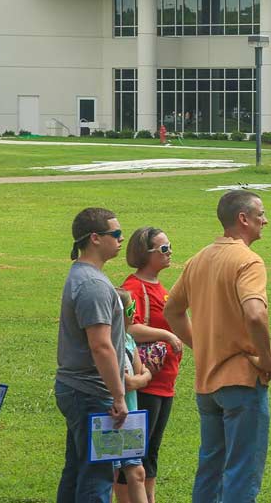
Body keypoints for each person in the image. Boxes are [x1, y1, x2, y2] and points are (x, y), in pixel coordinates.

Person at [164, 190, 271, 503]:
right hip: (241, 379)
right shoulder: (248, 261)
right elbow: (255, 313)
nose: (264, 221)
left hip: (207, 384)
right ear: (243, 219)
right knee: (241, 473)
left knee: (210, 470)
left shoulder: (199, 258)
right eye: (260, 215)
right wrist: (265, 358)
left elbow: (172, 309)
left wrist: (202, 345)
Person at [55, 207, 130, 503]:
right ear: (96, 238)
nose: (122, 238)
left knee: (76, 470)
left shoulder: (83, 275)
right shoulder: (93, 285)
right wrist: (119, 395)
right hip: (90, 393)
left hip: (77, 390)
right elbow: (101, 346)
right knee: (97, 475)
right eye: (116, 234)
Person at [119, 227, 183, 503]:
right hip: (147, 384)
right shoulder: (134, 287)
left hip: (165, 382)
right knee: (135, 452)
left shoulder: (159, 287)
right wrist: (166, 335)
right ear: (146, 255)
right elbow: (129, 328)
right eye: (164, 249)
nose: (170, 253)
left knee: (151, 450)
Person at [113, 289, 152, 503]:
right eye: (131, 309)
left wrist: (140, 378)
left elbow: (138, 374)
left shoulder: (128, 339)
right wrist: (141, 379)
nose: (134, 314)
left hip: (131, 418)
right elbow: (130, 381)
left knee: (137, 473)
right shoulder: (110, 342)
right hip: (112, 417)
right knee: (110, 475)